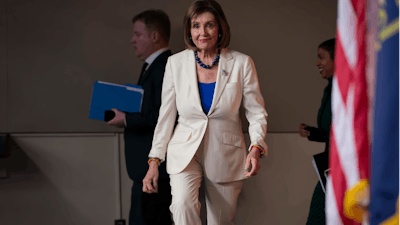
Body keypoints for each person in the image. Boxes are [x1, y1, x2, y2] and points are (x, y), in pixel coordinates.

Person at [142, 0, 268, 224]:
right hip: (183, 151)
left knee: (220, 221)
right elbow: (166, 117)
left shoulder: (242, 63)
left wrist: (256, 147)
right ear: (189, 31)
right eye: (196, 25)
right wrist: (154, 160)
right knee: (181, 206)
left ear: (220, 28)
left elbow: (256, 113)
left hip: (226, 153)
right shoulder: (175, 63)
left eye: (209, 25)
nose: (202, 32)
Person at [107, 10, 173, 225]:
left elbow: (164, 116)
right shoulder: (152, 66)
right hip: (146, 170)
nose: (132, 39)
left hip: (155, 170)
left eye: (138, 34)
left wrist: (126, 120)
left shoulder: (164, 66)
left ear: (154, 36)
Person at [298, 38, 335, 224]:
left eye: (322, 57)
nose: (317, 63)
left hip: (342, 168)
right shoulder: (329, 90)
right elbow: (329, 132)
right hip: (329, 168)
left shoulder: (345, 91)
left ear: (336, 60)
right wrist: (312, 132)